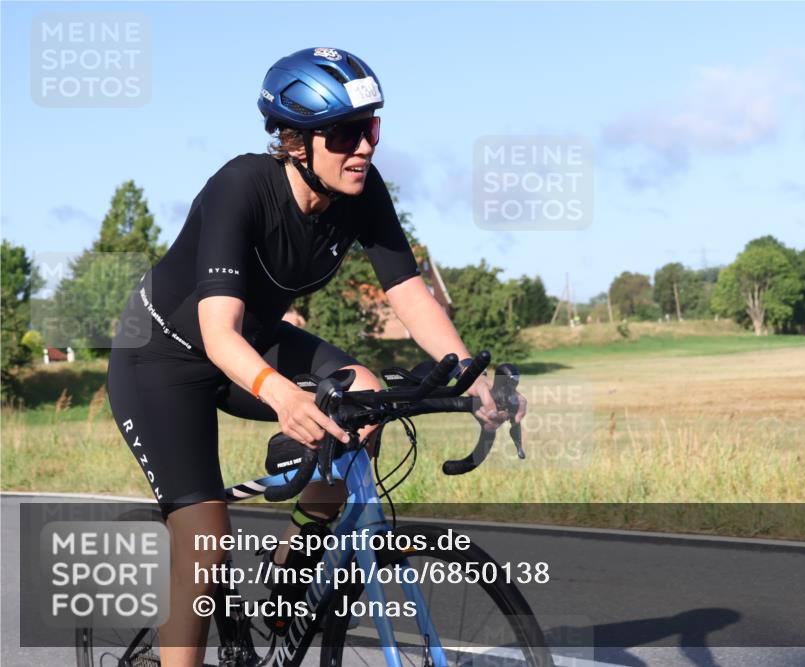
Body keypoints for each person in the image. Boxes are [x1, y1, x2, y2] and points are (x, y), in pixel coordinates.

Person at [107, 47, 526, 667]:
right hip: (161, 359)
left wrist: (473, 378)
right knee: (204, 541)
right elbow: (218, 333)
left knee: (363, 396)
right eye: (346, 135)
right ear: (296, 142)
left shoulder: (361, 191)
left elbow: (409, 295)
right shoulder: (241, 186)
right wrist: (283, 395)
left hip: (252, 340)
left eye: (372, 128)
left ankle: (291, 569)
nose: (365, 147)